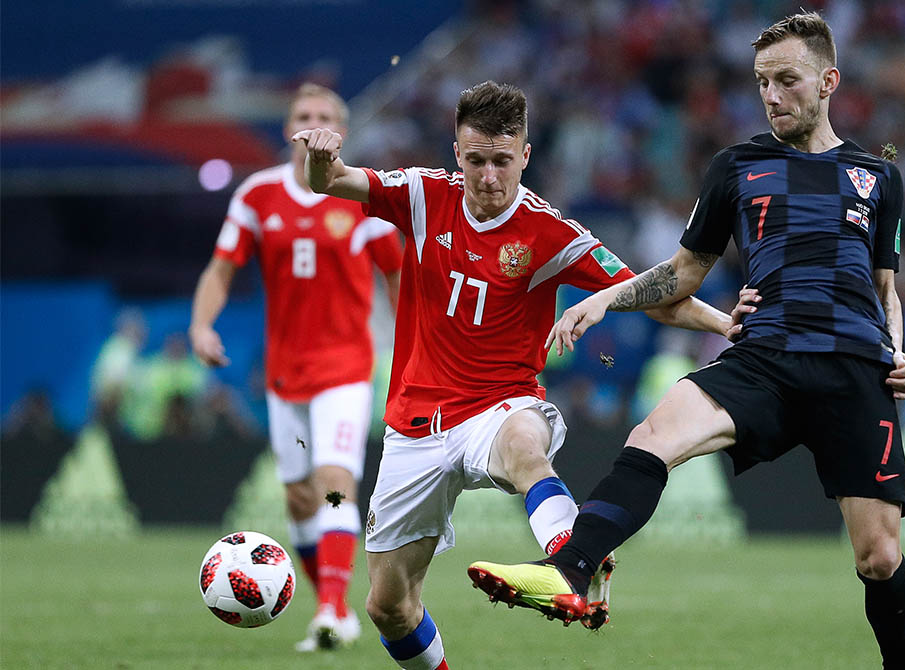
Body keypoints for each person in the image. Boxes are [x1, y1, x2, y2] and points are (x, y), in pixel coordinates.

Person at [467, 13, 905, 670]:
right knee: (652, 435)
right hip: (764, 359)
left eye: (787, 80)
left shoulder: (878, 176)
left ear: (828, 81)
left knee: (878, 558)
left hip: (854, 368)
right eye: (762, 82)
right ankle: (569, 571)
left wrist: (898, 349)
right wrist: (606, 297)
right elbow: (682, 275)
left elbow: (886, 291)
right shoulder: (736, 167)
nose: (771, 96)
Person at [294, 80, 742, 670]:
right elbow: (330, 182)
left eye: (502, 161)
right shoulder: (423, 194)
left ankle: (574, 565)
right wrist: (321, 158)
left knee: (525, 447)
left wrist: (727, 324)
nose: (488, 177)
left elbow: (652, 294)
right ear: (457, 153)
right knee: (388, 606)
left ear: (525, 156)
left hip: (499, 404)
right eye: (476, 160)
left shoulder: (550, 232)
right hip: (416, 422)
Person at [189, 83, 404, 652]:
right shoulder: (258, 195)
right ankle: (333, 606)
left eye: (325, 115)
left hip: (346, 367)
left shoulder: (363, 195)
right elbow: (221, 268)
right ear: (289, 128)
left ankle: (331, 609)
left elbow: (396, 273)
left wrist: (412, 341)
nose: (313, 122)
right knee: (300, 499)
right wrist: (202, 326)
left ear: (342, 132)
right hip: (285, 373)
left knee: (334, 482)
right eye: (304, 114)